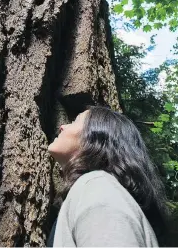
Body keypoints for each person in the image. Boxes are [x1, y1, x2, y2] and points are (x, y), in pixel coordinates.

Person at [47, 105, 168, 247]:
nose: (62, 126)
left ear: (97, 137)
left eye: (75, 121)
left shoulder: (98, 188)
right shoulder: (102, 189)